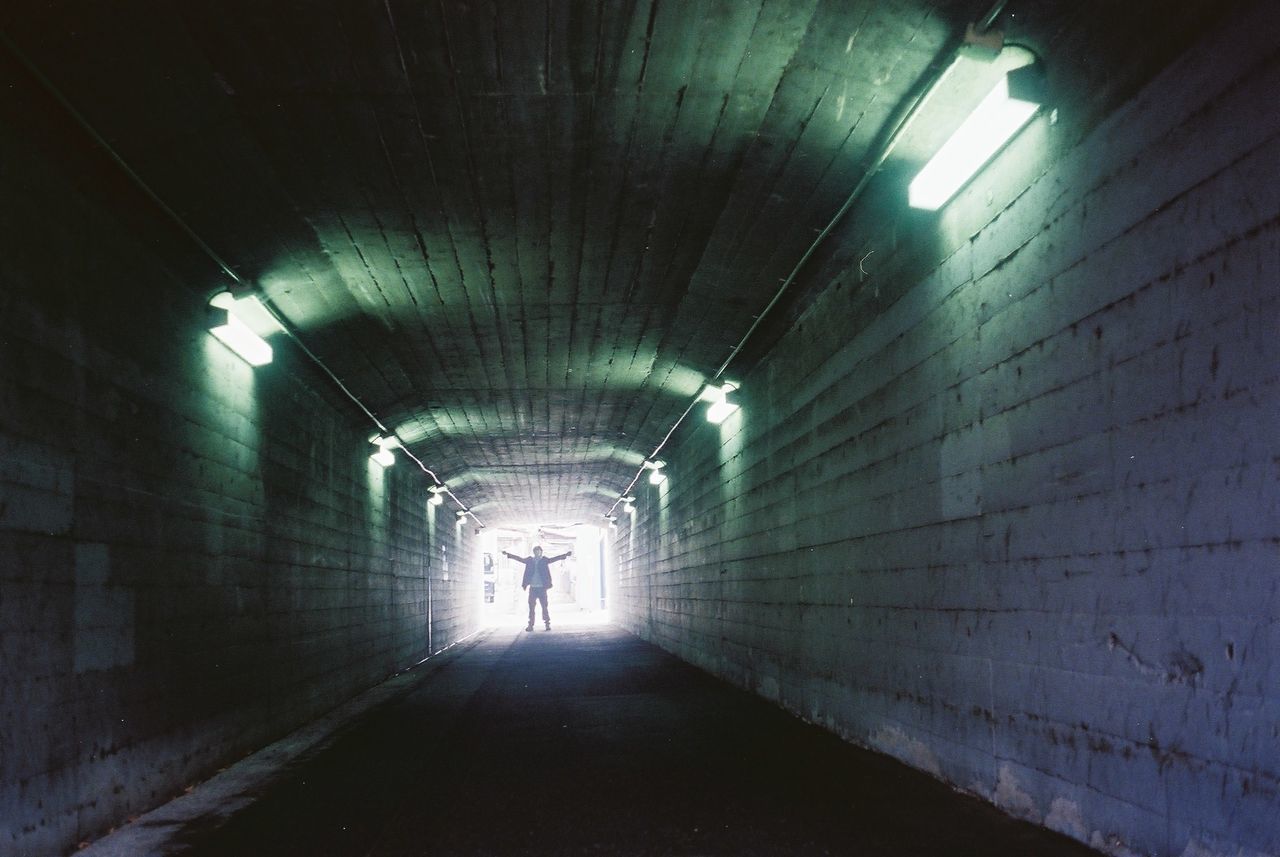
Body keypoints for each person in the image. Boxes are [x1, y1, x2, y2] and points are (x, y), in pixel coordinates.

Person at [502, 546, 571, 631]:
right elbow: (520, 559)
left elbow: (554, 559)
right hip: (533, 588)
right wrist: (508, 555)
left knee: (544, 607)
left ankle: (547, 624)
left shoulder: (544, 560)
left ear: (541, 552)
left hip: (542, 588)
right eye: (536, 551)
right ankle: (530, 625)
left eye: (539, 551)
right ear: (534, 552)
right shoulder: (530, 560)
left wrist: (565, 555)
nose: (537, 553)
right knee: (531, 608)